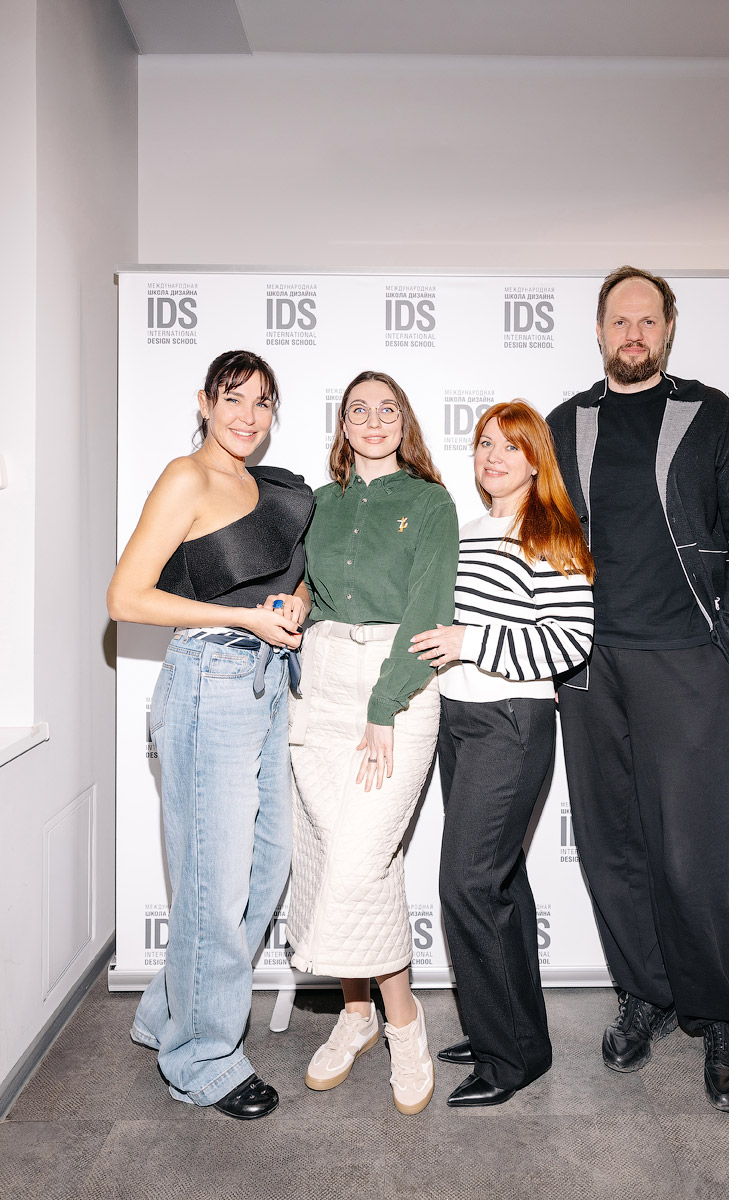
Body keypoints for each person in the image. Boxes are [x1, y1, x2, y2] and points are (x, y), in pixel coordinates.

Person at [547, 266, 729, 1113]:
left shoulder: (709, 413)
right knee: (612, 841)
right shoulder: (567, 421)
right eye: (619, 321)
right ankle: (644, 993)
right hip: (590, 662)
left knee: (692, 847)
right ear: (600, 331)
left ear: (668, 329)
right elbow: (539, 531)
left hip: (684, 658)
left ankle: (716, 1015)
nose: (633, 334)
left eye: (647, 320)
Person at [107, 350, 314, 1120]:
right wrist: (240, 617)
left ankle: (169, 1012)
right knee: (212, 880)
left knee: (263, 867)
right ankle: (201, 1058)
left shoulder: (271, 488)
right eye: (234, 399)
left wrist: (293, 606)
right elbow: (126, 597)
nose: (248, 416)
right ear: (204, 402)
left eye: (262, 402)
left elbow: (288, 579)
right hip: (207, 681)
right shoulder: (185, 478)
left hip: (268, 682)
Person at [409, 401, 594, 1107]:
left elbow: (569, 642)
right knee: (501, 883)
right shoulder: (471, 530)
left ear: (536, 460)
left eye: (511, 447)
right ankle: (514, 1034)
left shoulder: (551, 535)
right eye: (485, 443)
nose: (494, 456)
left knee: (467, 884)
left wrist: (470, 642)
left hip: (511, 721)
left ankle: (505, 1057)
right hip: (459, 718)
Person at [287, 370, 459, 1116]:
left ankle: (403, 1021)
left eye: (388, 409)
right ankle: (355, 1014)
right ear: (343, 426)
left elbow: (429, 608)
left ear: (405, 422)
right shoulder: (319, 504)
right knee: (334, 852)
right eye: (359, 409)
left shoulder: (431, 503)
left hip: (397, 684)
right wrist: (294, 603)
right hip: (321, 683)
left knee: (362, 856)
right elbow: (304, 584)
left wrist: (385, 705)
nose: (374, 420)